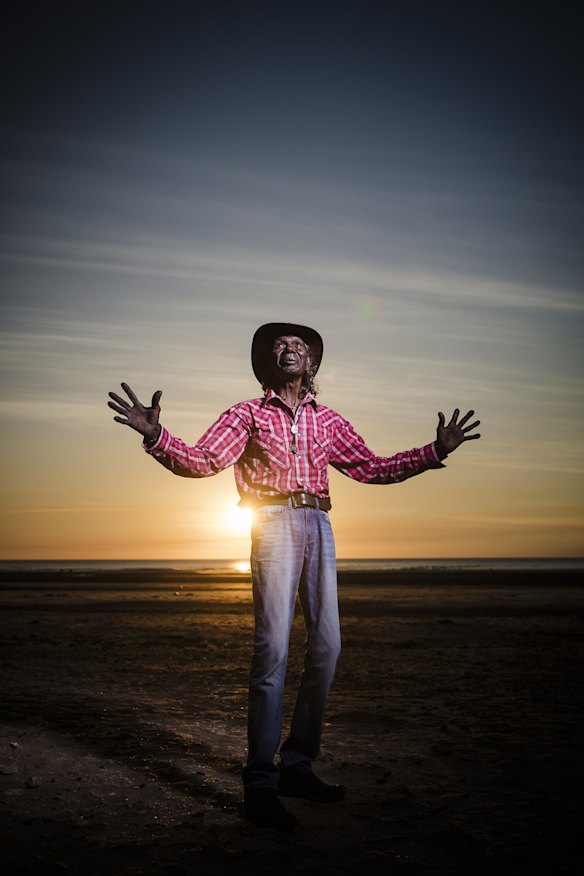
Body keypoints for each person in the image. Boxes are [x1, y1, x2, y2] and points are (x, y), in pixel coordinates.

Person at [107, 322, 480, 831]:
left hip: (320, 523)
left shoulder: (328, 421)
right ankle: (260, 780)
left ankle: (298, 764)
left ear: (313, 364)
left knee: (327, 647)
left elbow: (372, 467)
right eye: (281, 344)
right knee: (273, 650)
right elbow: (204, 460)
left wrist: (434, 451)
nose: (291, 349)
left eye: (300, 345)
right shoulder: (247, 413)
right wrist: (155, 435)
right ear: (268, 359)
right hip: (273, 522)